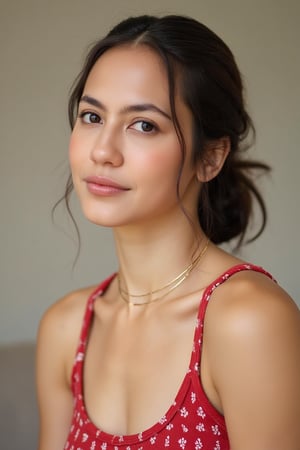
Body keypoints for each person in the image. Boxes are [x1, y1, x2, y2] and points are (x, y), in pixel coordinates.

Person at [36, 14, 300, 450]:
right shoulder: (65, 329)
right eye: (91, 116)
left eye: (144, 125)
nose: (102, 150)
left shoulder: (249, 321)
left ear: (210, 157)